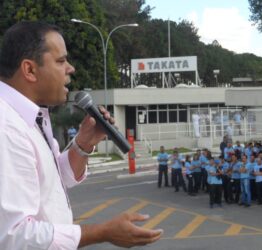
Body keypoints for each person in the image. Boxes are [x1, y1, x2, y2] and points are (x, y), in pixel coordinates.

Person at [0, 21, 162, 249]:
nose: (71, 68)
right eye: (60, 61)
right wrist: (102, 232)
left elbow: (56, 179)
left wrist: (84, 143)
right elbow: (14, 236)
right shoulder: (6, 126)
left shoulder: (31, 117)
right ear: (29, 70)